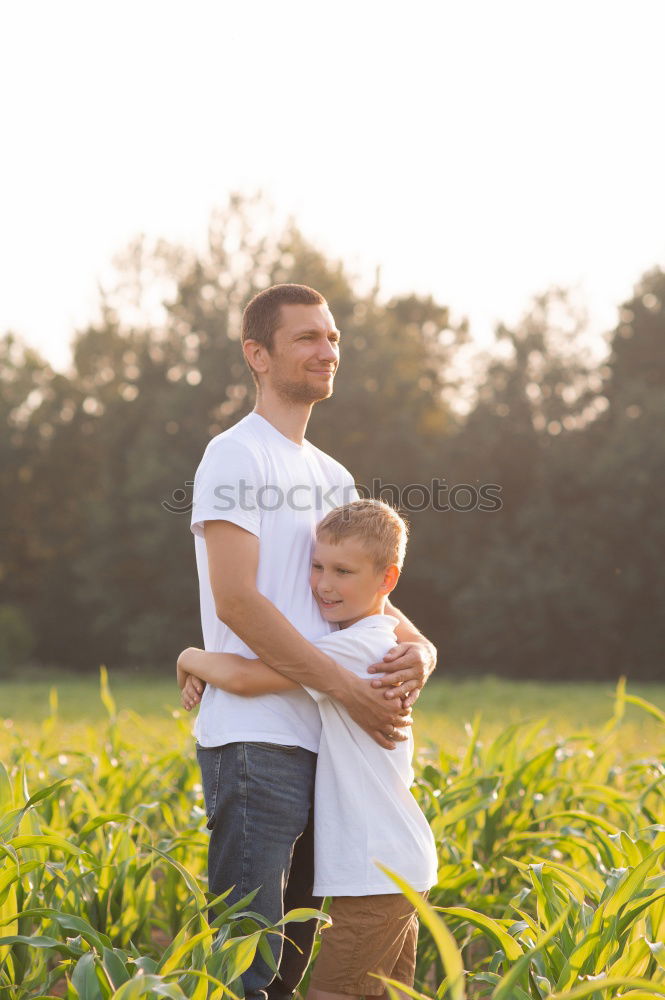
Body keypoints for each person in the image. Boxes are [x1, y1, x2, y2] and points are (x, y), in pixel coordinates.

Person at [184, 283, 436, 1000]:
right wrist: (347, 687)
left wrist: (420, 652)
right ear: (257, 355)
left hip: (326, 746)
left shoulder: (333, 476)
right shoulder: (234, 456)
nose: (326, 351)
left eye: (331, 338)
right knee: (246, 965)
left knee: (296, 960)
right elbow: (238, 599)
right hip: (257, 740)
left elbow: (370, 597)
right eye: (306, 338)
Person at [178, 498, 439, 998]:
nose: (323, 583)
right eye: (317, 566)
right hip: (394, 863)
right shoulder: (369, 638)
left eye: (343, 571)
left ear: (387, 581)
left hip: (377, 869)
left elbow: (244, 676)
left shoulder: (359, 645)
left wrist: (190, 655)